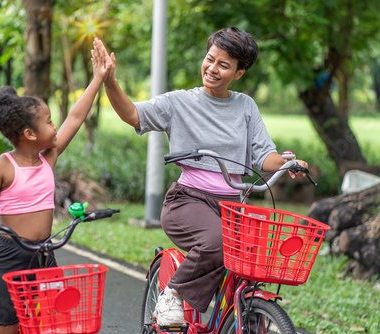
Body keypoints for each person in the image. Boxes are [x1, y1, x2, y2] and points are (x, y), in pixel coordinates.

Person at [93, 26, 309, 327]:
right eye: (210, 59)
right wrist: (109, 80)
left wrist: (289, 162)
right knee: (217, 244)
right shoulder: (179, 102)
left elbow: (264, 156)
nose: (213, 69)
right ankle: (174, 294)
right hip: (188, 201)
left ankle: (245, 317)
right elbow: (132, 114)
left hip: (233, 207)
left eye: (224, 65)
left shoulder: (245, 106)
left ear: (239, 73)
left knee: (254, 261)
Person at [0, 42, 112, 334]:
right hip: (9, 260)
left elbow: (75, 118)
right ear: (29, 134)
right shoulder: (2, 166)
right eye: (49, 122)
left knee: (54, 325)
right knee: (7, 328)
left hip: (44, 255)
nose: (55, 127)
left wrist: (98, 79)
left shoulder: (46, 159)